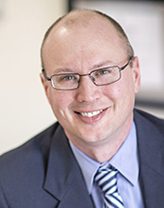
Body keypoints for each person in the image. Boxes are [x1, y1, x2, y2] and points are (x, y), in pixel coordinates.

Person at [0, 9, 164, 208]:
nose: (87, 95)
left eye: (103, 71)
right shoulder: (7, 186)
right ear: (46, 88)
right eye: (67, 77)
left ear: (135, 75)